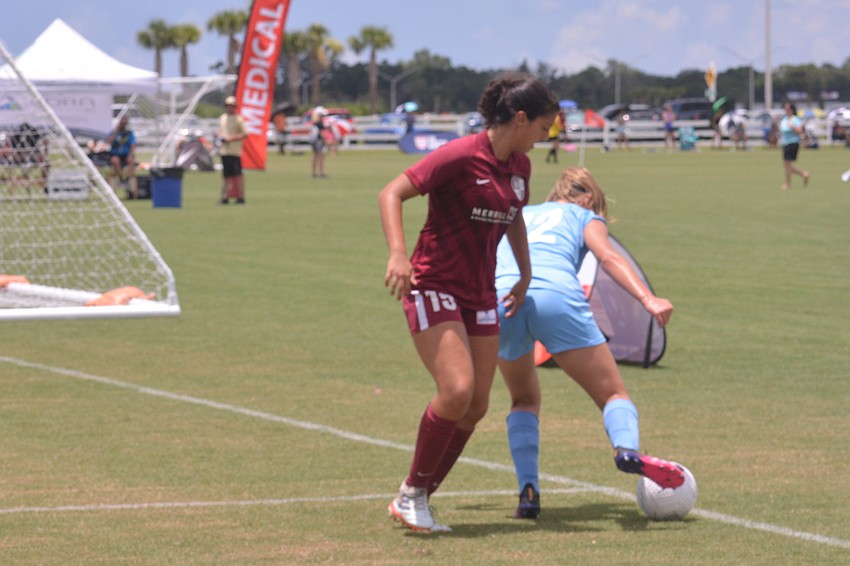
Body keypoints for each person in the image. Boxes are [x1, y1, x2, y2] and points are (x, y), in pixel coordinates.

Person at [379, 73, 559, 534]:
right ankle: (413, 495)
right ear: (520, 119)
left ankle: (414, 494)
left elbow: (515, 216)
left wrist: (524, 272)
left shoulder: (520, 167)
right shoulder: (461, 155)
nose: (545, 137)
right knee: (456, 390)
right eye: (543, 127)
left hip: (481, 293)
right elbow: (392, 192)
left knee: (476, 405)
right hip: (434, 284)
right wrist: (398, 254)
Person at [494, 166, 684, 520]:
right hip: (554, 295)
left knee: (523, 399)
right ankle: (626, 450)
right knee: (613, 394)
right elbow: (608, 257)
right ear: (585, 199)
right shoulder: (583, 215)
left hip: (503, 298)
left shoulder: (523, 213)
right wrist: (649, 299)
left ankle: (528, 490)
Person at [218, 95, 248, 204]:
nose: (230, 108)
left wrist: (231, 138)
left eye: (232, 106)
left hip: (235, 151)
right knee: (226, 176)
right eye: (228, 106)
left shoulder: (239, 119)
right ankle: (224, 197)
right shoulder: (222, 118)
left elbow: (245, 134)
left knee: (238, 175)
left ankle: (241, 197)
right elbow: (221, 132)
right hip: (224, 151)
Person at [779, 102, 810, 190]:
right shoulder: (784, 119)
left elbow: (800, 131)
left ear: (792, 110)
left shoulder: (795, 119)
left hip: (792, 142)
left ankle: (788, 184)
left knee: (787, 164)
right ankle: (803, 174)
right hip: (785, 143)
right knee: (787, 165)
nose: (786, 111)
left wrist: (792, 127)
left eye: (788, 109)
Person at [105, 116, 137, 199]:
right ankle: (120, 177)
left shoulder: (129, 134)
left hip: (126, 156)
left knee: (131, 161)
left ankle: (128, 179)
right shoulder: (114, 132)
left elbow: (133, 145)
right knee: (115, 161)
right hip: (115, 155)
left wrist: (130, 155)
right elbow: (108, 142)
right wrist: (116, 131)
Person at [310, 106, 328, 178]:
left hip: (313, 140)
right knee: (321, 157)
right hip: (319, 141)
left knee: (315, 156)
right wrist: (326, 140)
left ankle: (314, 173)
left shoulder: (314, 123)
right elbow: (321, 133)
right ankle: (321, 173)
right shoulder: (320, 123)